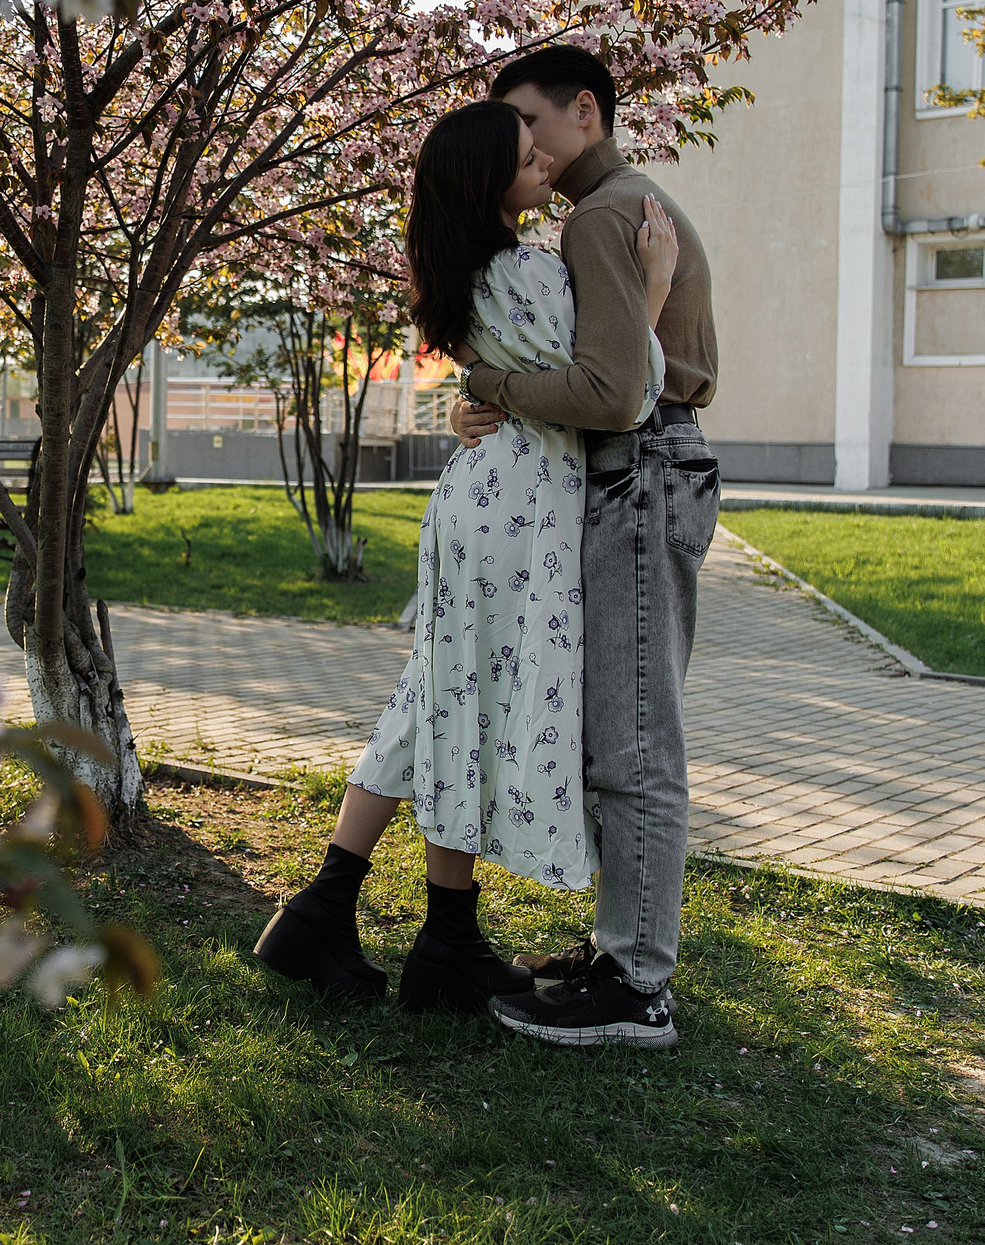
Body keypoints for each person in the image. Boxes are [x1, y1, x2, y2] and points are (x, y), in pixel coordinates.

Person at [252, 96, 678, 1015]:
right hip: (518, 515)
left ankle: (363, 919)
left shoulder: (473, 274)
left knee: (439, 698)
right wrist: (651, 293)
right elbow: (620, 390)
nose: (545, 170)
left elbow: (523, 377)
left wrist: (482, 390)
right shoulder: (524, 272)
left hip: (483, 501)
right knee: (462, 702)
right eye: (528, 161)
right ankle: (426, 933)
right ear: (488, 182)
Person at [457, 45, 718, 1051]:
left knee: (636, 736)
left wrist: (493, 387)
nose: (520, 143)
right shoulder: (615, 210)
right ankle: (622, 952)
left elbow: (611, 391)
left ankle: (639, 985)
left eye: (529, 122)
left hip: (641, 468)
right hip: (638, 471)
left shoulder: (607, 216)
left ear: (585, 112)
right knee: (618, 730)